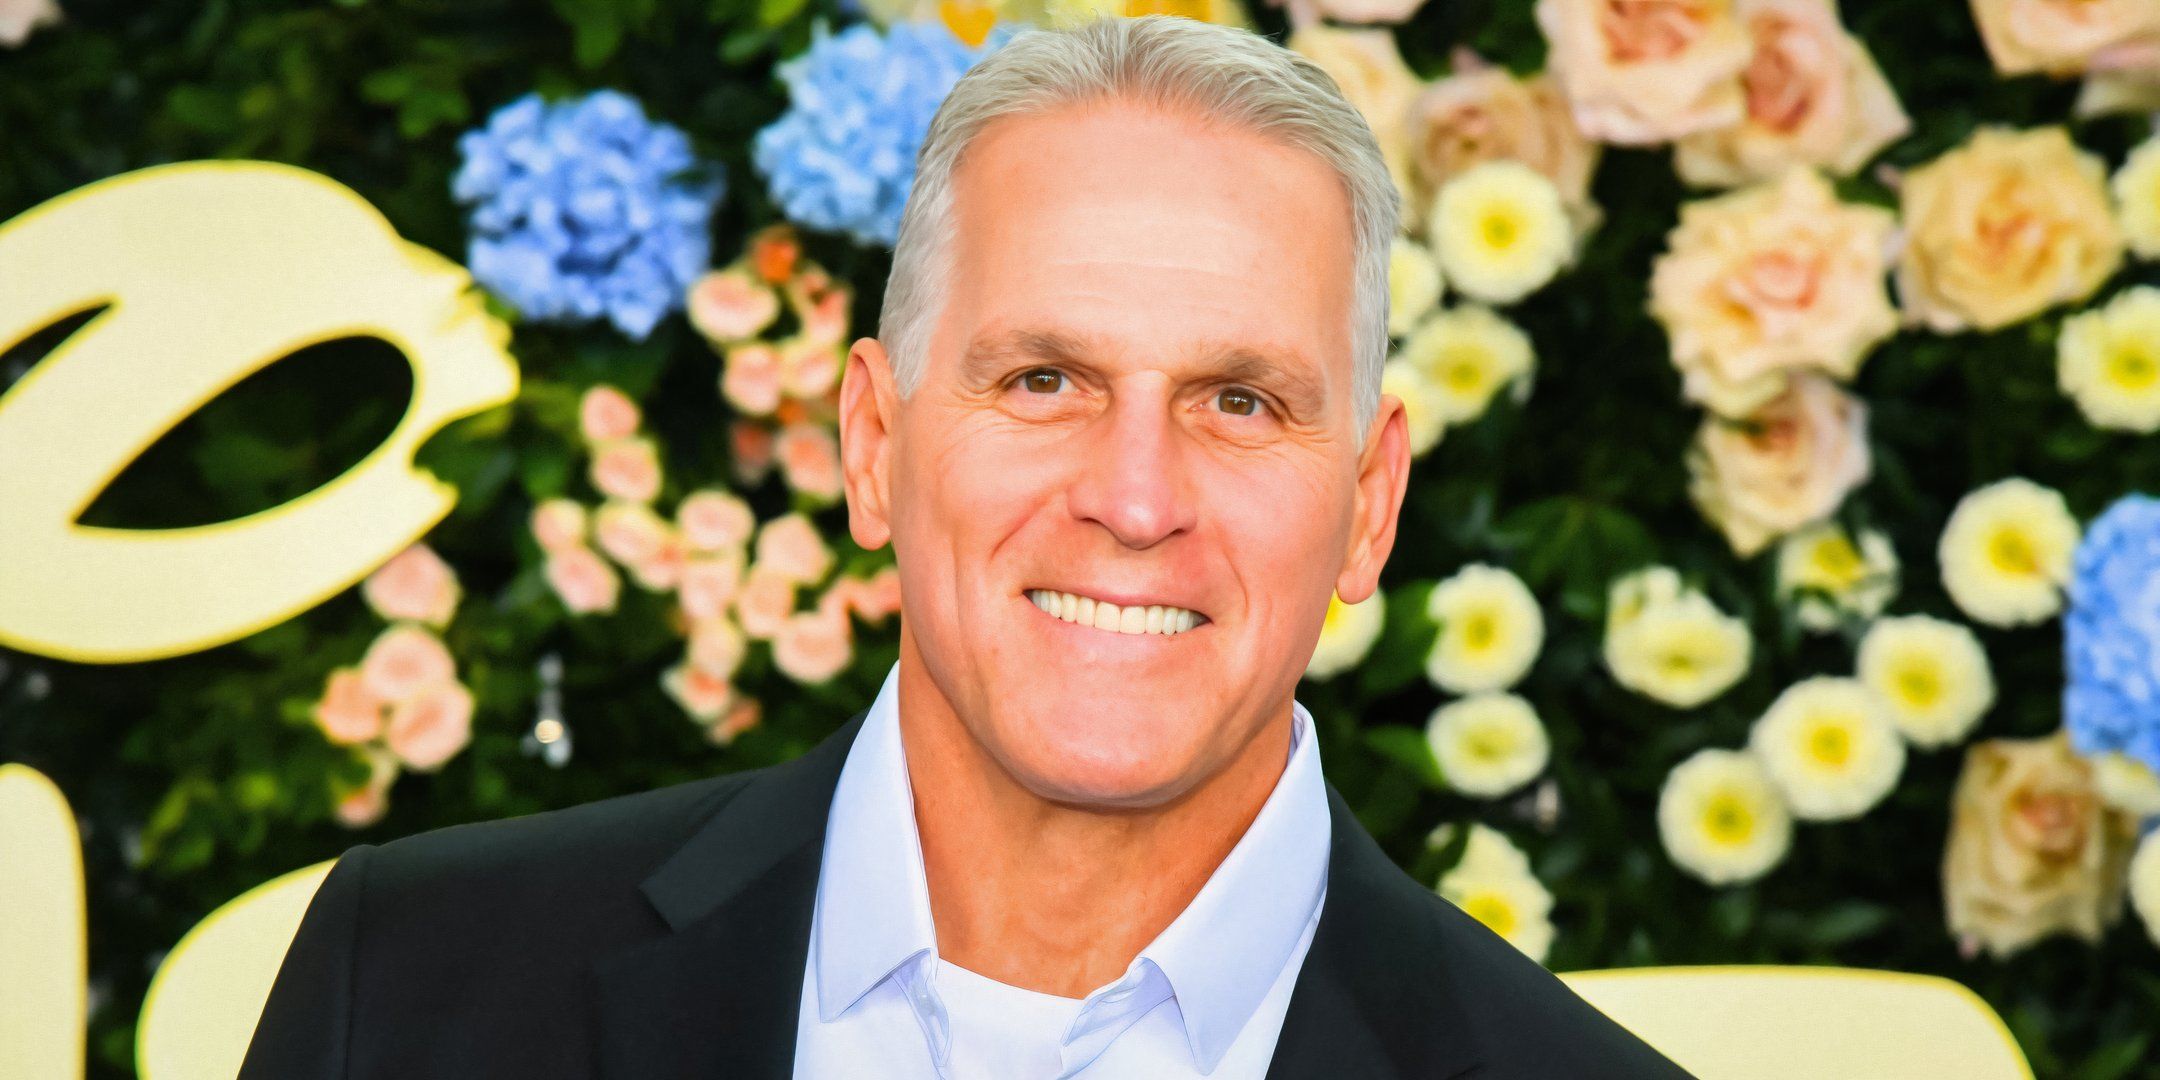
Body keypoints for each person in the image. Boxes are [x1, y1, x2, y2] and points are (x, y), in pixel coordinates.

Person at [237, 14, 1695, 1079]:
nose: (1135, 497)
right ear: (874, 445)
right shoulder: (414, 993)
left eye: (1238, 401)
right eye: (1042, 380)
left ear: (1370, 505)